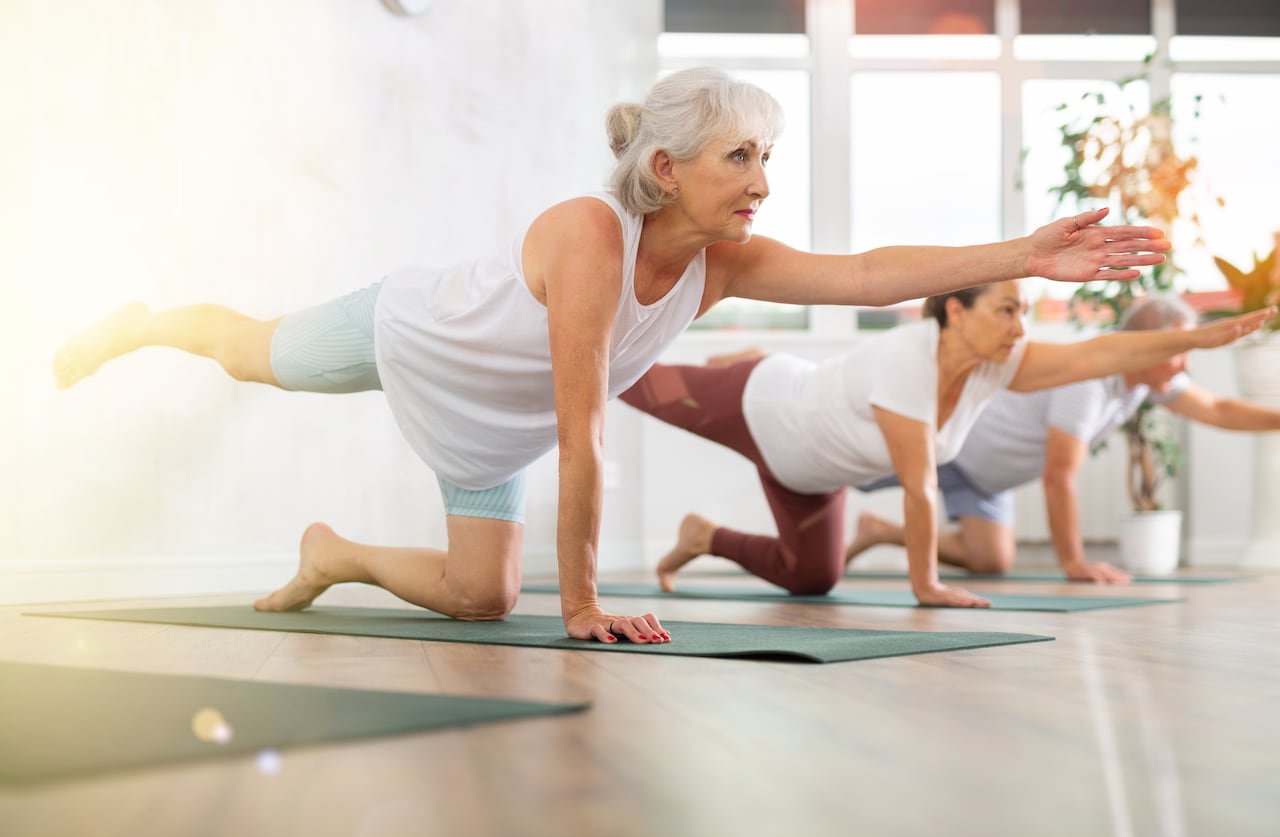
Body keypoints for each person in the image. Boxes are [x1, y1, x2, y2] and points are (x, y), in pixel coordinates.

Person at [53, 67, 1175, 640]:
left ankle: (331, 553)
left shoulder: (724, 262)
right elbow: (583, 423)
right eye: (740, 157)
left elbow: (871, 272)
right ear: (668, 168)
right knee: (252, 355)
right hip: (416, 333)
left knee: (481, 598)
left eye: (767, 156)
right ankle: (143, 323)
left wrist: (1026, 251)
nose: (762, 180)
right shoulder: (591, 236)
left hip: (490, 430)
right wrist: (584, 600)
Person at [620, 282, 1272, 607]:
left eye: (1023, 312)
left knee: (812, 578)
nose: (1019, 327)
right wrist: (926, 585)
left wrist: (1196, 340)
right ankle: (754, 359)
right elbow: (918, 485)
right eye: (1007, 311)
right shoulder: (910, 357)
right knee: (626, 380)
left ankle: (703, 536)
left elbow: (1097, 352)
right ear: (957, 311)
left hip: (808, 473)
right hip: (762, 406)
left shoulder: (998, 365)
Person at [847, 294, 1280, 584]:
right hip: (953, 445)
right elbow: (1059, 476)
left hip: (988, 479)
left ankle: (879, 530)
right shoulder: (1088, 381)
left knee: (991, 560)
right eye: (1180, 350)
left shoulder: (1146, 381)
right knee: (841, 472)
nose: (1186, 364)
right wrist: (1074, 562)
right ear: (1146, 346)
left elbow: (1217, 408)